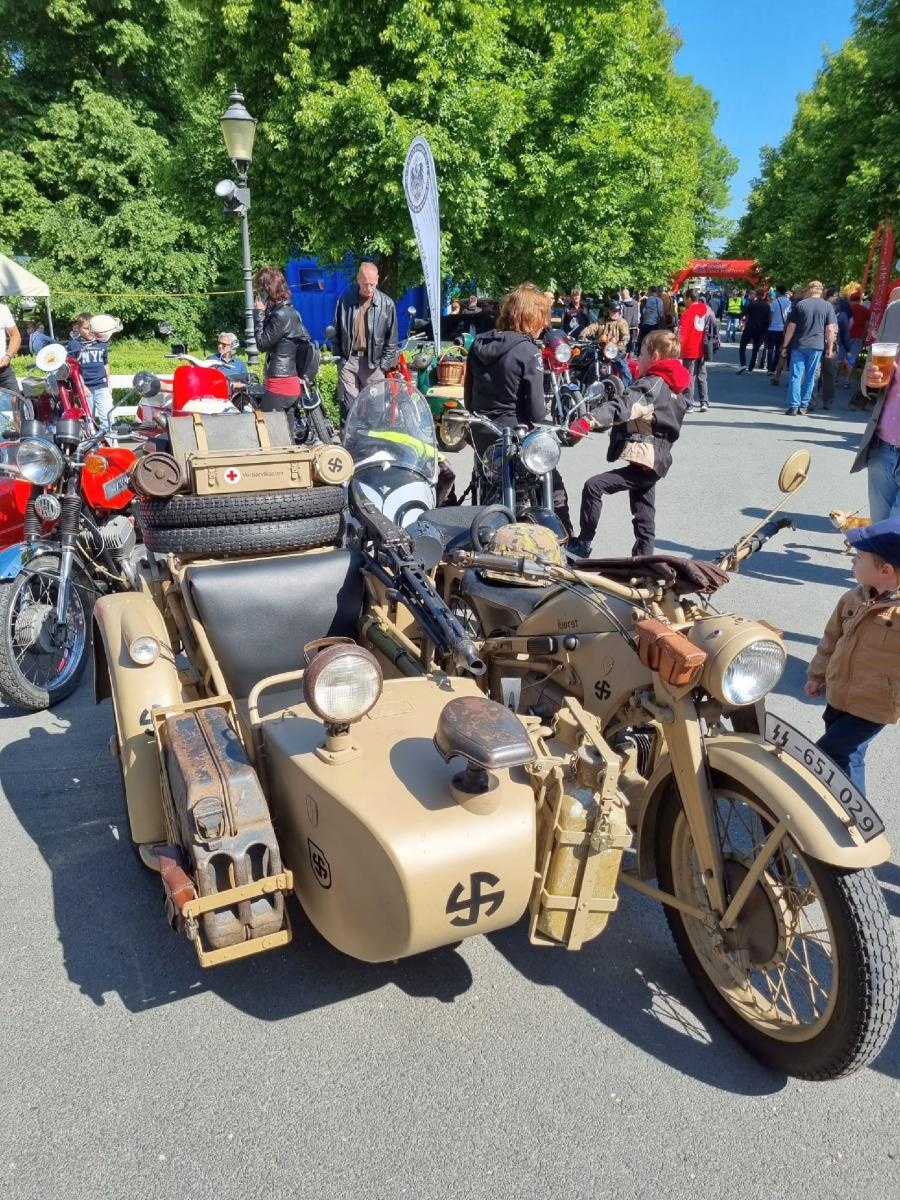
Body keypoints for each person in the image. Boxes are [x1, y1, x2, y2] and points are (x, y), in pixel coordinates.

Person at [568, 330, 691, 560]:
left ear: (654, 356)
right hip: (655, 460)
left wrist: (587, 421)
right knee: (644, 514)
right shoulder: (676, 386)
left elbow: (622, 407)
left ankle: (583, 543)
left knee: (594, 486)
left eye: (642, 353)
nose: (638, 358)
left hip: (646, 459)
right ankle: (644, 563)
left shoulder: (651, 385)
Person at [464, 282, 571, 532]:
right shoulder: (527, 350)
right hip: (514, 438)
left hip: (482, 436)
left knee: (481, 483)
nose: (545, 324)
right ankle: (568, 542)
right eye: (543, 317)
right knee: (554, 485)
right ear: (531, 316)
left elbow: (469, 400)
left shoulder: (478, 344)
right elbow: (536, 412)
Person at [805, 517, 900, 794]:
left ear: (884, 570)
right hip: (839, 694)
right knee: (848, 757)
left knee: (822, 754)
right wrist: (816, 674)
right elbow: (831, 639)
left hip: (873, 707)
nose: (852, 562)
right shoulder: (852, 598)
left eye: (858, 558)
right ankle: (847, 806)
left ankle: (854, 818)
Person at [332, 261, 399, 424]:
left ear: (378, 279)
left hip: (374, 363)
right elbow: (336, 332)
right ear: (357, 280)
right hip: (349, 360)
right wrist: (340, 360)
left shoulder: (387, 304)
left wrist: (382, 366)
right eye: (364, 284)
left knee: (375, 409)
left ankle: (370, 443)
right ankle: (347, 442)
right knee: (349, 407)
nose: (368, 288)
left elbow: (392, 340)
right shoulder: (345, 300)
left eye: (372, 284)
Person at [253, 266, 310, 413]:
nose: (259, 294)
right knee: (287, 434)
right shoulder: (292, 312)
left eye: (261, 290)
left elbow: (261, 344)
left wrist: (259, 314)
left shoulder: (280, 315)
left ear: (268, 290)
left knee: (269, 431)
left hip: (279, 383)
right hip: (291, 383)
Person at [855, 346, 900, 521]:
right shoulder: (892, 326)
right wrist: (869, 380)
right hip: (882, 450)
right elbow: (872, 384)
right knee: (878, 531)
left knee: (894, 535)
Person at [780, 280, 836, 416]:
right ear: (821, 290)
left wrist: (785, 345)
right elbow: (830, 329)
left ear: (810, 289)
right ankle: (804, 405)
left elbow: (791, 327)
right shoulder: (828, 306)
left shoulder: (801, 305)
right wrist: (830, 347)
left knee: (796, 375)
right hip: (817, 346)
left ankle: (793, 406)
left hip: (799, 344)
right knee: (811, 376)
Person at [67, 312, 113, 426]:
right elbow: (73, 368)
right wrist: (82, 386)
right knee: (89, 420)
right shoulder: (74, 345)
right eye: (86, 328)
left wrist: (109, 383)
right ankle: (92, 443)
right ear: (78, 328)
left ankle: (111, 442)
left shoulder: (101, 342)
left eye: (91, 328)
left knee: (108, 418)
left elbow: (105, 363)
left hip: (102, 385)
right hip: (86, 387)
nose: (89, 331)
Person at [679, 289, 710, 412]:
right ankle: (704, 402)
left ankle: (689, 403)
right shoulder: (705, 310)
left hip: (690, 349)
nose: (684, 301)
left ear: (689, 299)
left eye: (685, 298)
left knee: (689, 376)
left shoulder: (687, 313)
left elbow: (683, 334)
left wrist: (679, 348)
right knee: (702, 375)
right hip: (702, 347)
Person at [736, 288, 770, 374]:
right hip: (760, 330)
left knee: (742, 346)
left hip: (750, 327)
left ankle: (743, 364)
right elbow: (768, 319)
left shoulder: (752, 304)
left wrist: (740, 318)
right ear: (764, 295)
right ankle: (751, 368)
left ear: (756, 295)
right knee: (755, 348)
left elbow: (743, 313)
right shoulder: (767, 306)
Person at [766, 285, 791, 373]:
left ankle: (769, 368)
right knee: (778, 349)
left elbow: (771, 317)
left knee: (770, 348)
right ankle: (773, 368)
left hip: (772, 328)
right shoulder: (789, 303)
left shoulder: (774, 303)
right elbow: (789, 317)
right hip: (782, 329)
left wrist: (769, 325)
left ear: (778, 292)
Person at [0, 301, 21, 400]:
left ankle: (18, 416)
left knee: (16, 400)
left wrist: (8, 356)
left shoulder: (2, 309)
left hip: (3, 368)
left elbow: (15, 335)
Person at [637, 286, 664, 350]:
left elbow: (646, 312)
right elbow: (661, 313)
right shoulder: (660, 300)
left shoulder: (650, 299)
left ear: (650, 291)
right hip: (656, 324)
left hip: (648, 323)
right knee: (653, 340)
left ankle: (641, 352)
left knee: (643, 340)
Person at [619, 287, 641, 352]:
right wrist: (637, 323)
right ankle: (630, 355)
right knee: (632, 342)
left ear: (622, 295)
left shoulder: (622, 304)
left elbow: (621, 315)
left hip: (624, 325)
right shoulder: (636, 303)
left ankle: (624, 355)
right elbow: (638, 314)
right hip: (634, 325)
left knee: (624, 342)